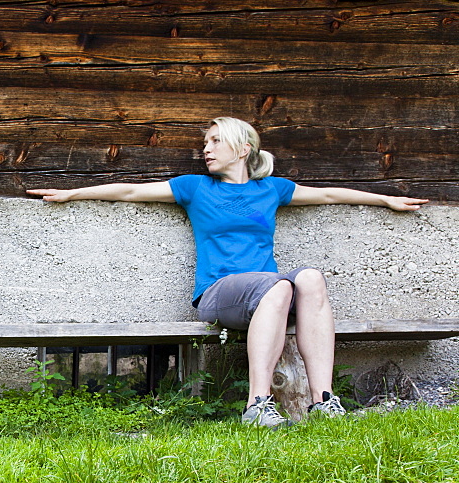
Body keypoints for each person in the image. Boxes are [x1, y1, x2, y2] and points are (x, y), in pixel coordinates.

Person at [27, 117, 428, 427]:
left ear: (244, 147)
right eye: (205, 142)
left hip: (273, 294)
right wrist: (72, 193)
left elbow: (327, 194)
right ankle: (258, 405)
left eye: (215, 141)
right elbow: (132, 190)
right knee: (277, 285)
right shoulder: (195, 188)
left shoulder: (271, 188)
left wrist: (385, 199)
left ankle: (323, 401)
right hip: (220, 295)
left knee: (310, 278)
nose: (206, 149)